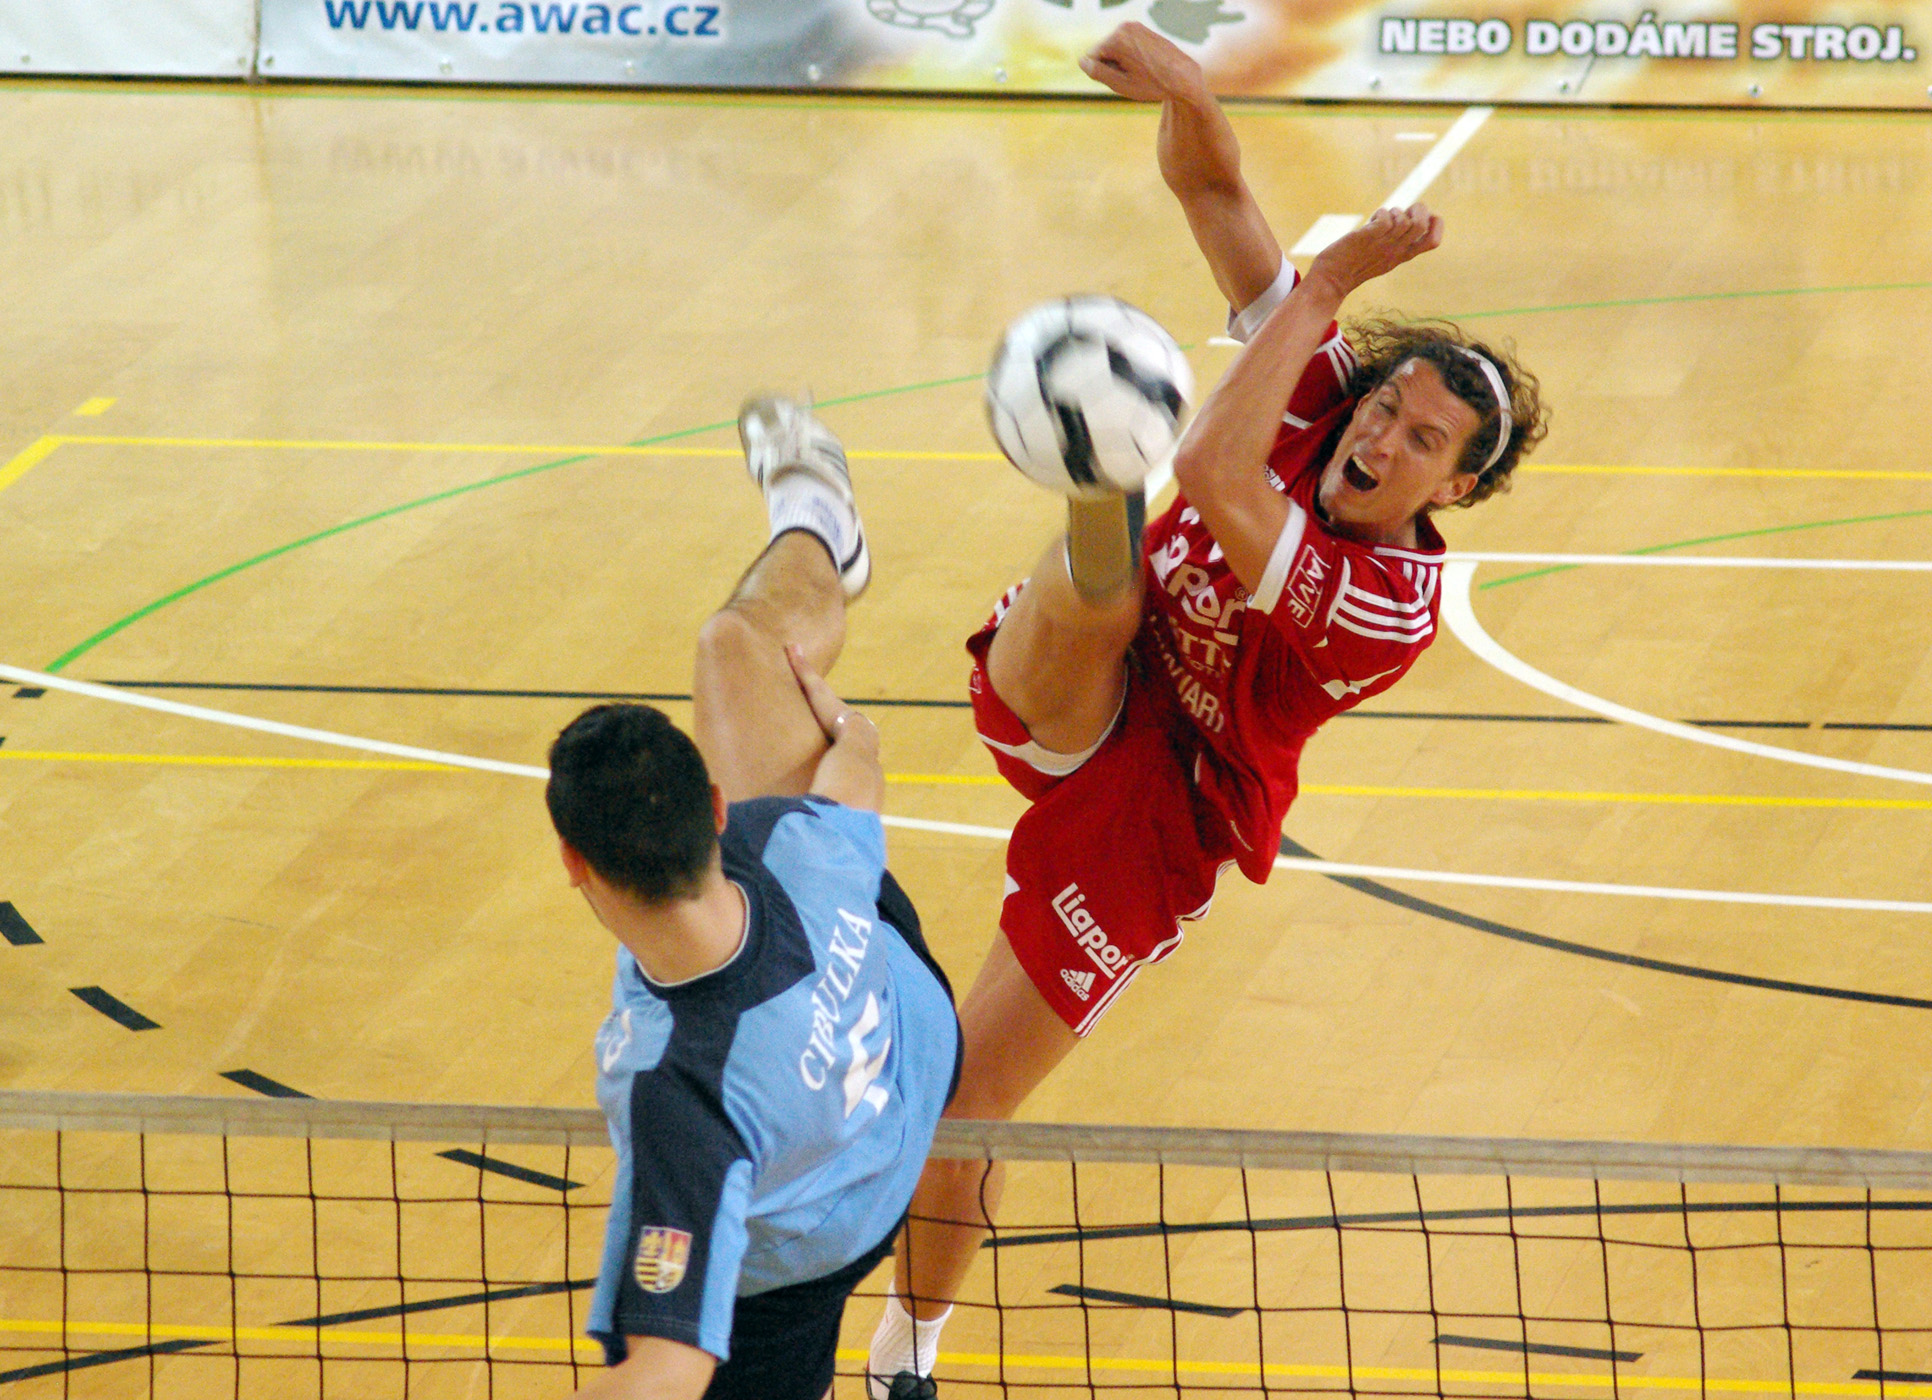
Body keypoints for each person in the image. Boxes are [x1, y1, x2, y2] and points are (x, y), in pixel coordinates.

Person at [863, 22, 1547, 1397]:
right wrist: (1187, 88)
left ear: (1454, 490)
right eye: (1384, 405)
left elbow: (1217, 470)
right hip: (1084, 678)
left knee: (961, 1106)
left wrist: (1328, 282)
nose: (1377, 434)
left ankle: (905, 1354)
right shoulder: (1319, 399)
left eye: (1420, 439)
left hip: (1167, 807)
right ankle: (1092, 492)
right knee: (1101, 597)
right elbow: (1216, 195)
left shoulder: (1387, 603)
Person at [549, 397, 961, 1400]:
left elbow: (669, 1367)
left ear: (574, 864)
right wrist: (849, 730)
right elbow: (853, 769)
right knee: (737, 644)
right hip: (912, 1038)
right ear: (716, 806)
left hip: (809, 1254)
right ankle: (817, 517)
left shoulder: (677, 1094)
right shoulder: (793, 841)